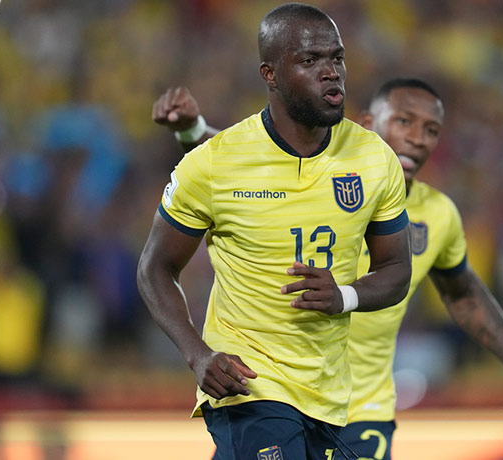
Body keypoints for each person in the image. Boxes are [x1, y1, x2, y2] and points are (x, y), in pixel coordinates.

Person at [153, 78, 503, 458]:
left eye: (431, 130)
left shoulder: (438, 216)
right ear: (367, 123)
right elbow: (244, 163)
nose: (417, 139)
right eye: (403, 122)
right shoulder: (320, 174)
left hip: (361, 410)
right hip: (275, 391)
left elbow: (463, 293)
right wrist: (192, 132)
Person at [137, 3, 412, 460]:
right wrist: (197, 354)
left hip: (328, 394)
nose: (331, 73)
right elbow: (154, 269)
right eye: (310, 61)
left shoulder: (374, 159)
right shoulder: (213, 164)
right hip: (249, 385)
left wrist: (344, 295)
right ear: (270, 73)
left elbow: (397, 268)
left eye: (337, 58)